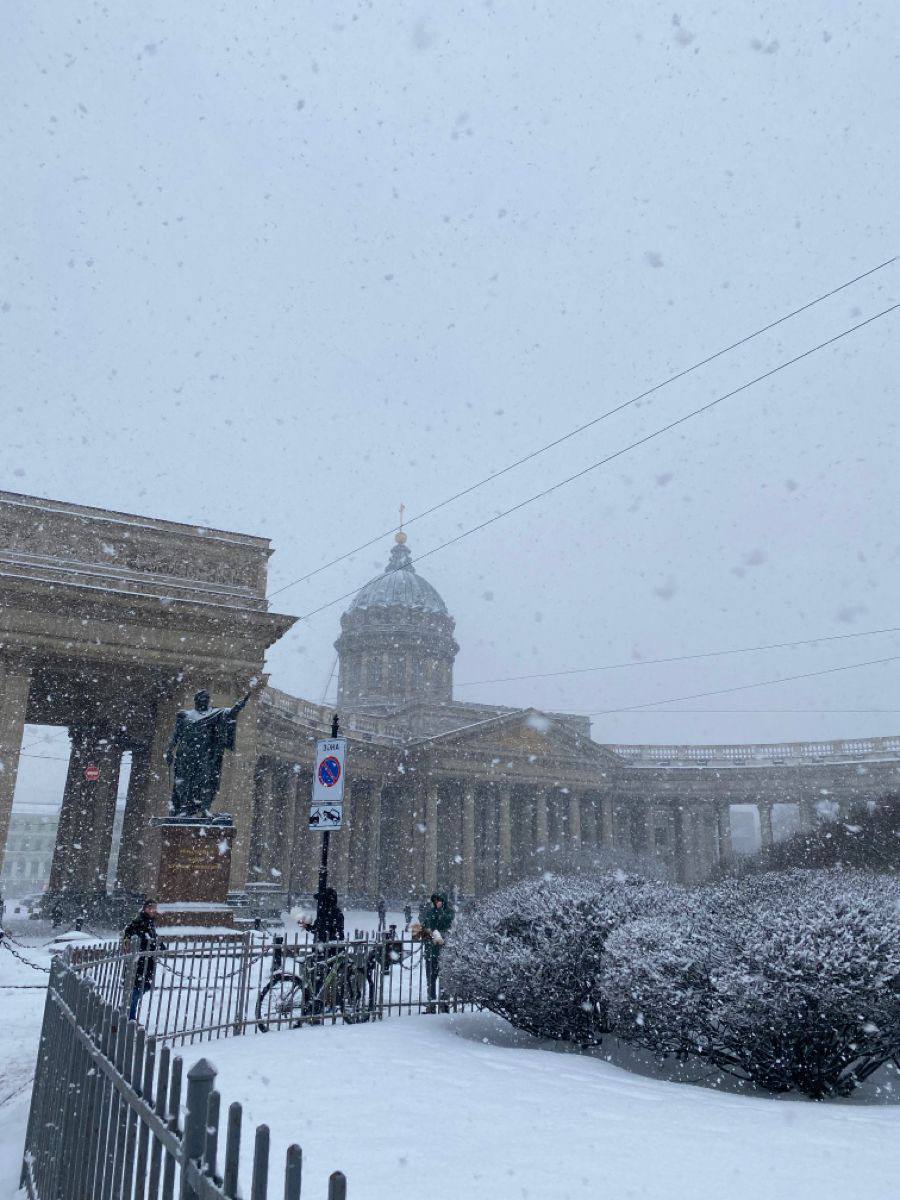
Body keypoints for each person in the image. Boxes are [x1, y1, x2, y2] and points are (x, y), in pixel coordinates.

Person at [123, 898, 160, 1021]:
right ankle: (130, 1017)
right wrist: (127, 941)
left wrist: (159, 945)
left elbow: (152, 937)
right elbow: (128, 932)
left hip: (148, 961)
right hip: (139, 961)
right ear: (144, 909)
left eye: (154, 908)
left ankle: (127, 1010)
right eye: (150, 908)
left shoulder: (150, 922)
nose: (152, 910)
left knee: (145, 987)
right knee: (136, 988)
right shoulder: (139, 920)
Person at [419, 892, 454, 1011]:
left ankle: (444, 1005)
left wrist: (440, 911)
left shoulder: (449, 912)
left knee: (444, 978)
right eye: (435, 900)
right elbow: (424, 926)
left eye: (439, 900)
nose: (437, 902)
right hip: (430, 950)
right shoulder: (430, 912)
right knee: (431, 978)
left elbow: (446, 922)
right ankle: (432, 1004)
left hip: (443, 951)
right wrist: (423, 933)